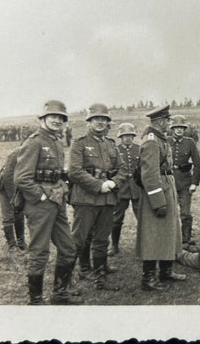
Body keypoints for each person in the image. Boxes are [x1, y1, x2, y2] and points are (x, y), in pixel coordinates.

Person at [14, 100, 77, 305]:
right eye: (53, 116)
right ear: (43, 118)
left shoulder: (57, 141)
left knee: (68, 248)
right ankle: (36, 300)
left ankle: (60, 294)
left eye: (61, 118)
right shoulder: (34, 142)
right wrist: (41, 196)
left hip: (57, 202)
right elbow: (22, 178)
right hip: (40, 204)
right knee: (39, 251)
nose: (57, 120)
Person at [68, 103, 127, 290]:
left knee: (102, 237)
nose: (100, 122)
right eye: (96, 119)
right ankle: (73, 274)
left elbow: (123, 168)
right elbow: (75, 171)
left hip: (108, 198)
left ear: (108, 123)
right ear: (89, 122)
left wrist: (114, 182)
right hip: (86, 198)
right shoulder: (80, 143)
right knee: (80, 238)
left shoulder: (111, 144)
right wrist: (98, 185)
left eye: (104, 119)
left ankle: (100, 274)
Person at [136, 105, 186, 291]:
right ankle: (148, 278)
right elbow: (149, 175)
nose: (169, 123)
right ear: (160, 121)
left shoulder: (159, 139)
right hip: (157, 191)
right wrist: (158, 202)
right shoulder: (151, 141)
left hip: (166, 186)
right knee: (153, 234)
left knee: (169, 231)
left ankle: (166, 271)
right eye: (167, 121)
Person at [167, 115, 200, 247]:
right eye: (177, 127)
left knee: (186, 213)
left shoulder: (190, 142)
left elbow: (197, 164)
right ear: (172, 128)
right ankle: (170, 240)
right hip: (169, 180)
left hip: (185, 181)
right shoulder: (166, 141)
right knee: (169, 212)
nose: (179, 130)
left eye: (182, 127)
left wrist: (194, 183)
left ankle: (186, 240)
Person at [107, 122, 141, 256]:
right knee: (117, 218)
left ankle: (143, 245)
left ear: (133, 136)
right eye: (124, 136)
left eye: (130, 136)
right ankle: (114, 245)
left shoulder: (139, 149)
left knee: (142, 218)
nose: (127, 138)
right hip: (121, 189)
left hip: (137, 188)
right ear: (120, 137)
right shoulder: (116, 150)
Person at [0, 147, 26, 252]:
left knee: (19, 212)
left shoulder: (31, 152)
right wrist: (13, 197)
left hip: (17, 185)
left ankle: (21, 242)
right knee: (8, 215)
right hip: (5, 185)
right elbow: (8, 176)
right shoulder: (16, 154)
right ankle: (12, 245)